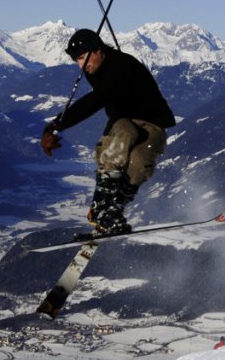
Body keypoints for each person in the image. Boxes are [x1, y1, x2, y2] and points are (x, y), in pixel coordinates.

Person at [40, 28, 176, 235]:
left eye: (83, 58)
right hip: (124, 121)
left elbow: (95, 100)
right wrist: (54, 127)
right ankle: (101, 206)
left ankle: (114, 209)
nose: (81, 66)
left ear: (98, 50)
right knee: (125, 134)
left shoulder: (122, 65)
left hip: (153, 121)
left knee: (140, 163)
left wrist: (56, 126)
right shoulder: (95, 67)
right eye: (77, 60)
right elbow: (98, 97)